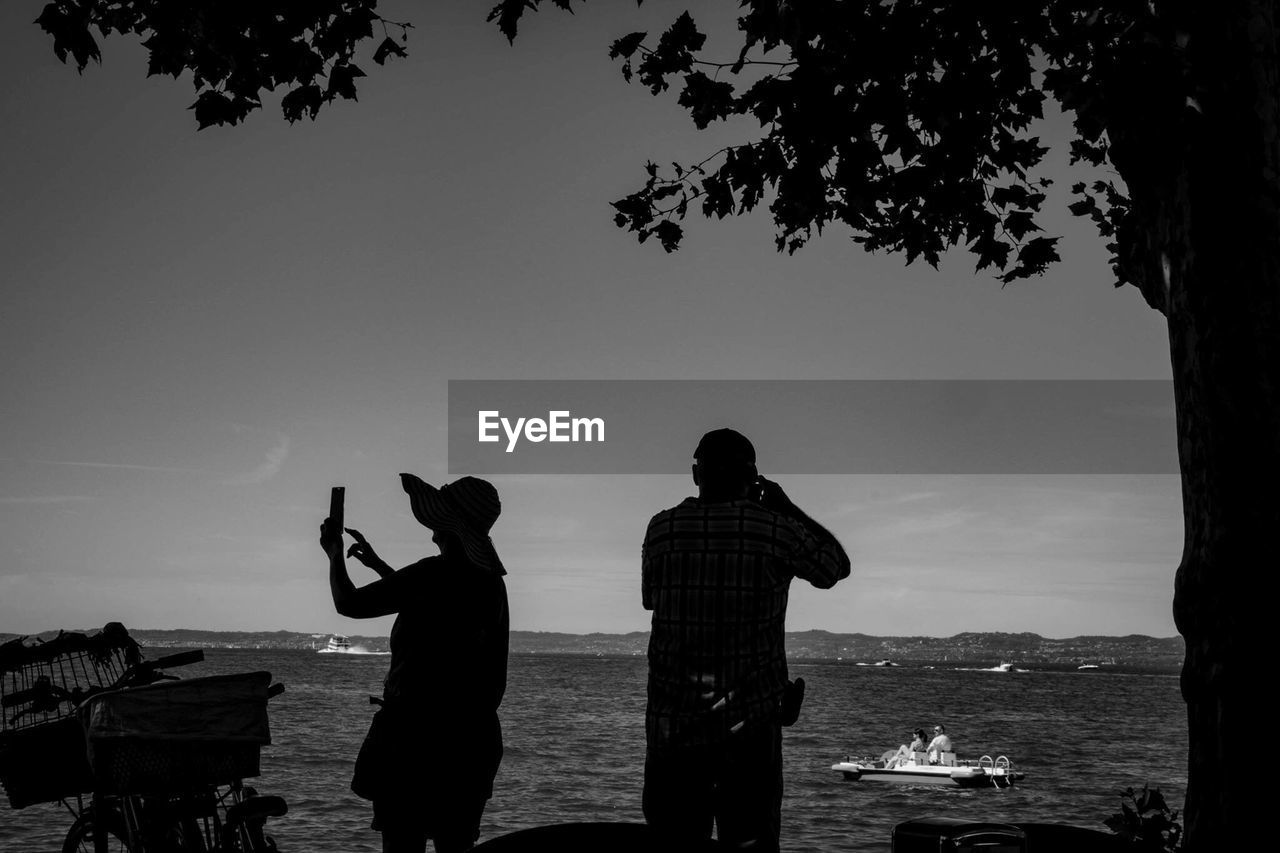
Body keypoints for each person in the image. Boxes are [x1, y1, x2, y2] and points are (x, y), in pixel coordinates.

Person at [641, 428, 851, 851]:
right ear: (754, 479)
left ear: (694, 473)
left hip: (673, 733)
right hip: (748, 736)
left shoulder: (662, 529)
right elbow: (835, 567)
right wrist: (787, 508)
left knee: (673, 849)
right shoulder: (775, 531)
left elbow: (650, 601)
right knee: (750, 847)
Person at [319, 473, 510, 853]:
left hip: (414, 747)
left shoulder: (432, 573)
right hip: (470, 746)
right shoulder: (489, 584)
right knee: (456, 847)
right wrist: (379, 566)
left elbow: (349, 604)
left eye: (439, 525)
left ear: (450, 527)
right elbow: (434, 609)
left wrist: (334, 552)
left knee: (403, 848)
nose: (433, 533)